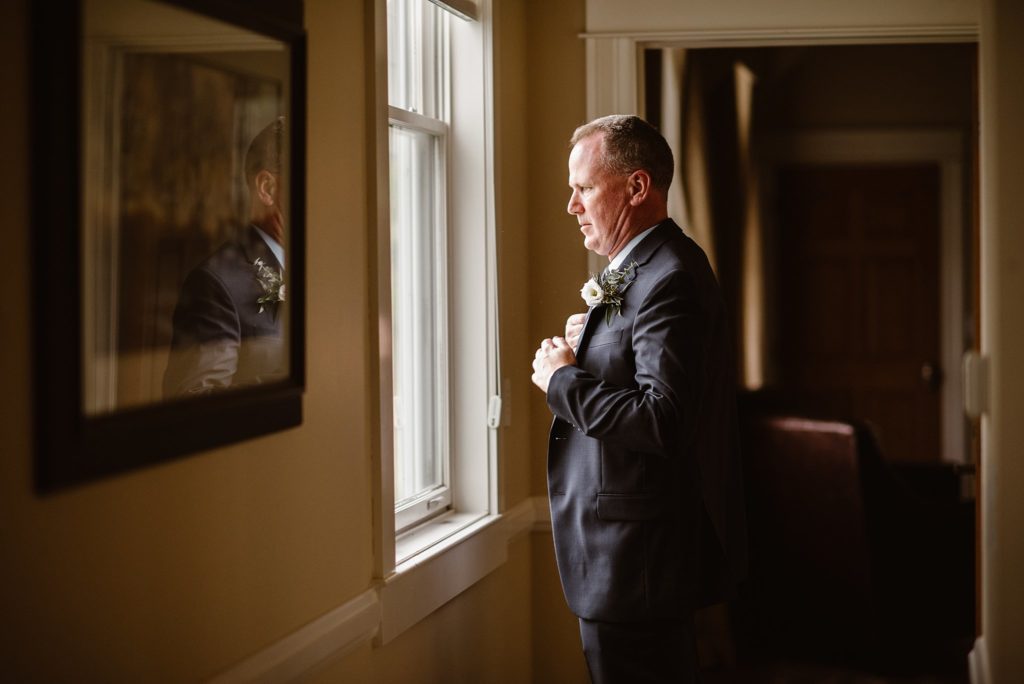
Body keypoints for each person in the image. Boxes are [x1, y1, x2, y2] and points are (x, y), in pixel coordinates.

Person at [531, 115, 747, 683]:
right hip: (622, 556)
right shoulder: (645, 269)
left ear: (637, 187)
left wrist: (562, 381)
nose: (572, 207)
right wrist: (592, 347)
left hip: (635, 564)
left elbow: (663, 419)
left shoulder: (669, 275)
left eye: (583, 188)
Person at [163, 117, 288, 396]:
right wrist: (296, 380)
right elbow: (194, 402)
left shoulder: (320, 271)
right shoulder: (216, 284)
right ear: (267, 189)